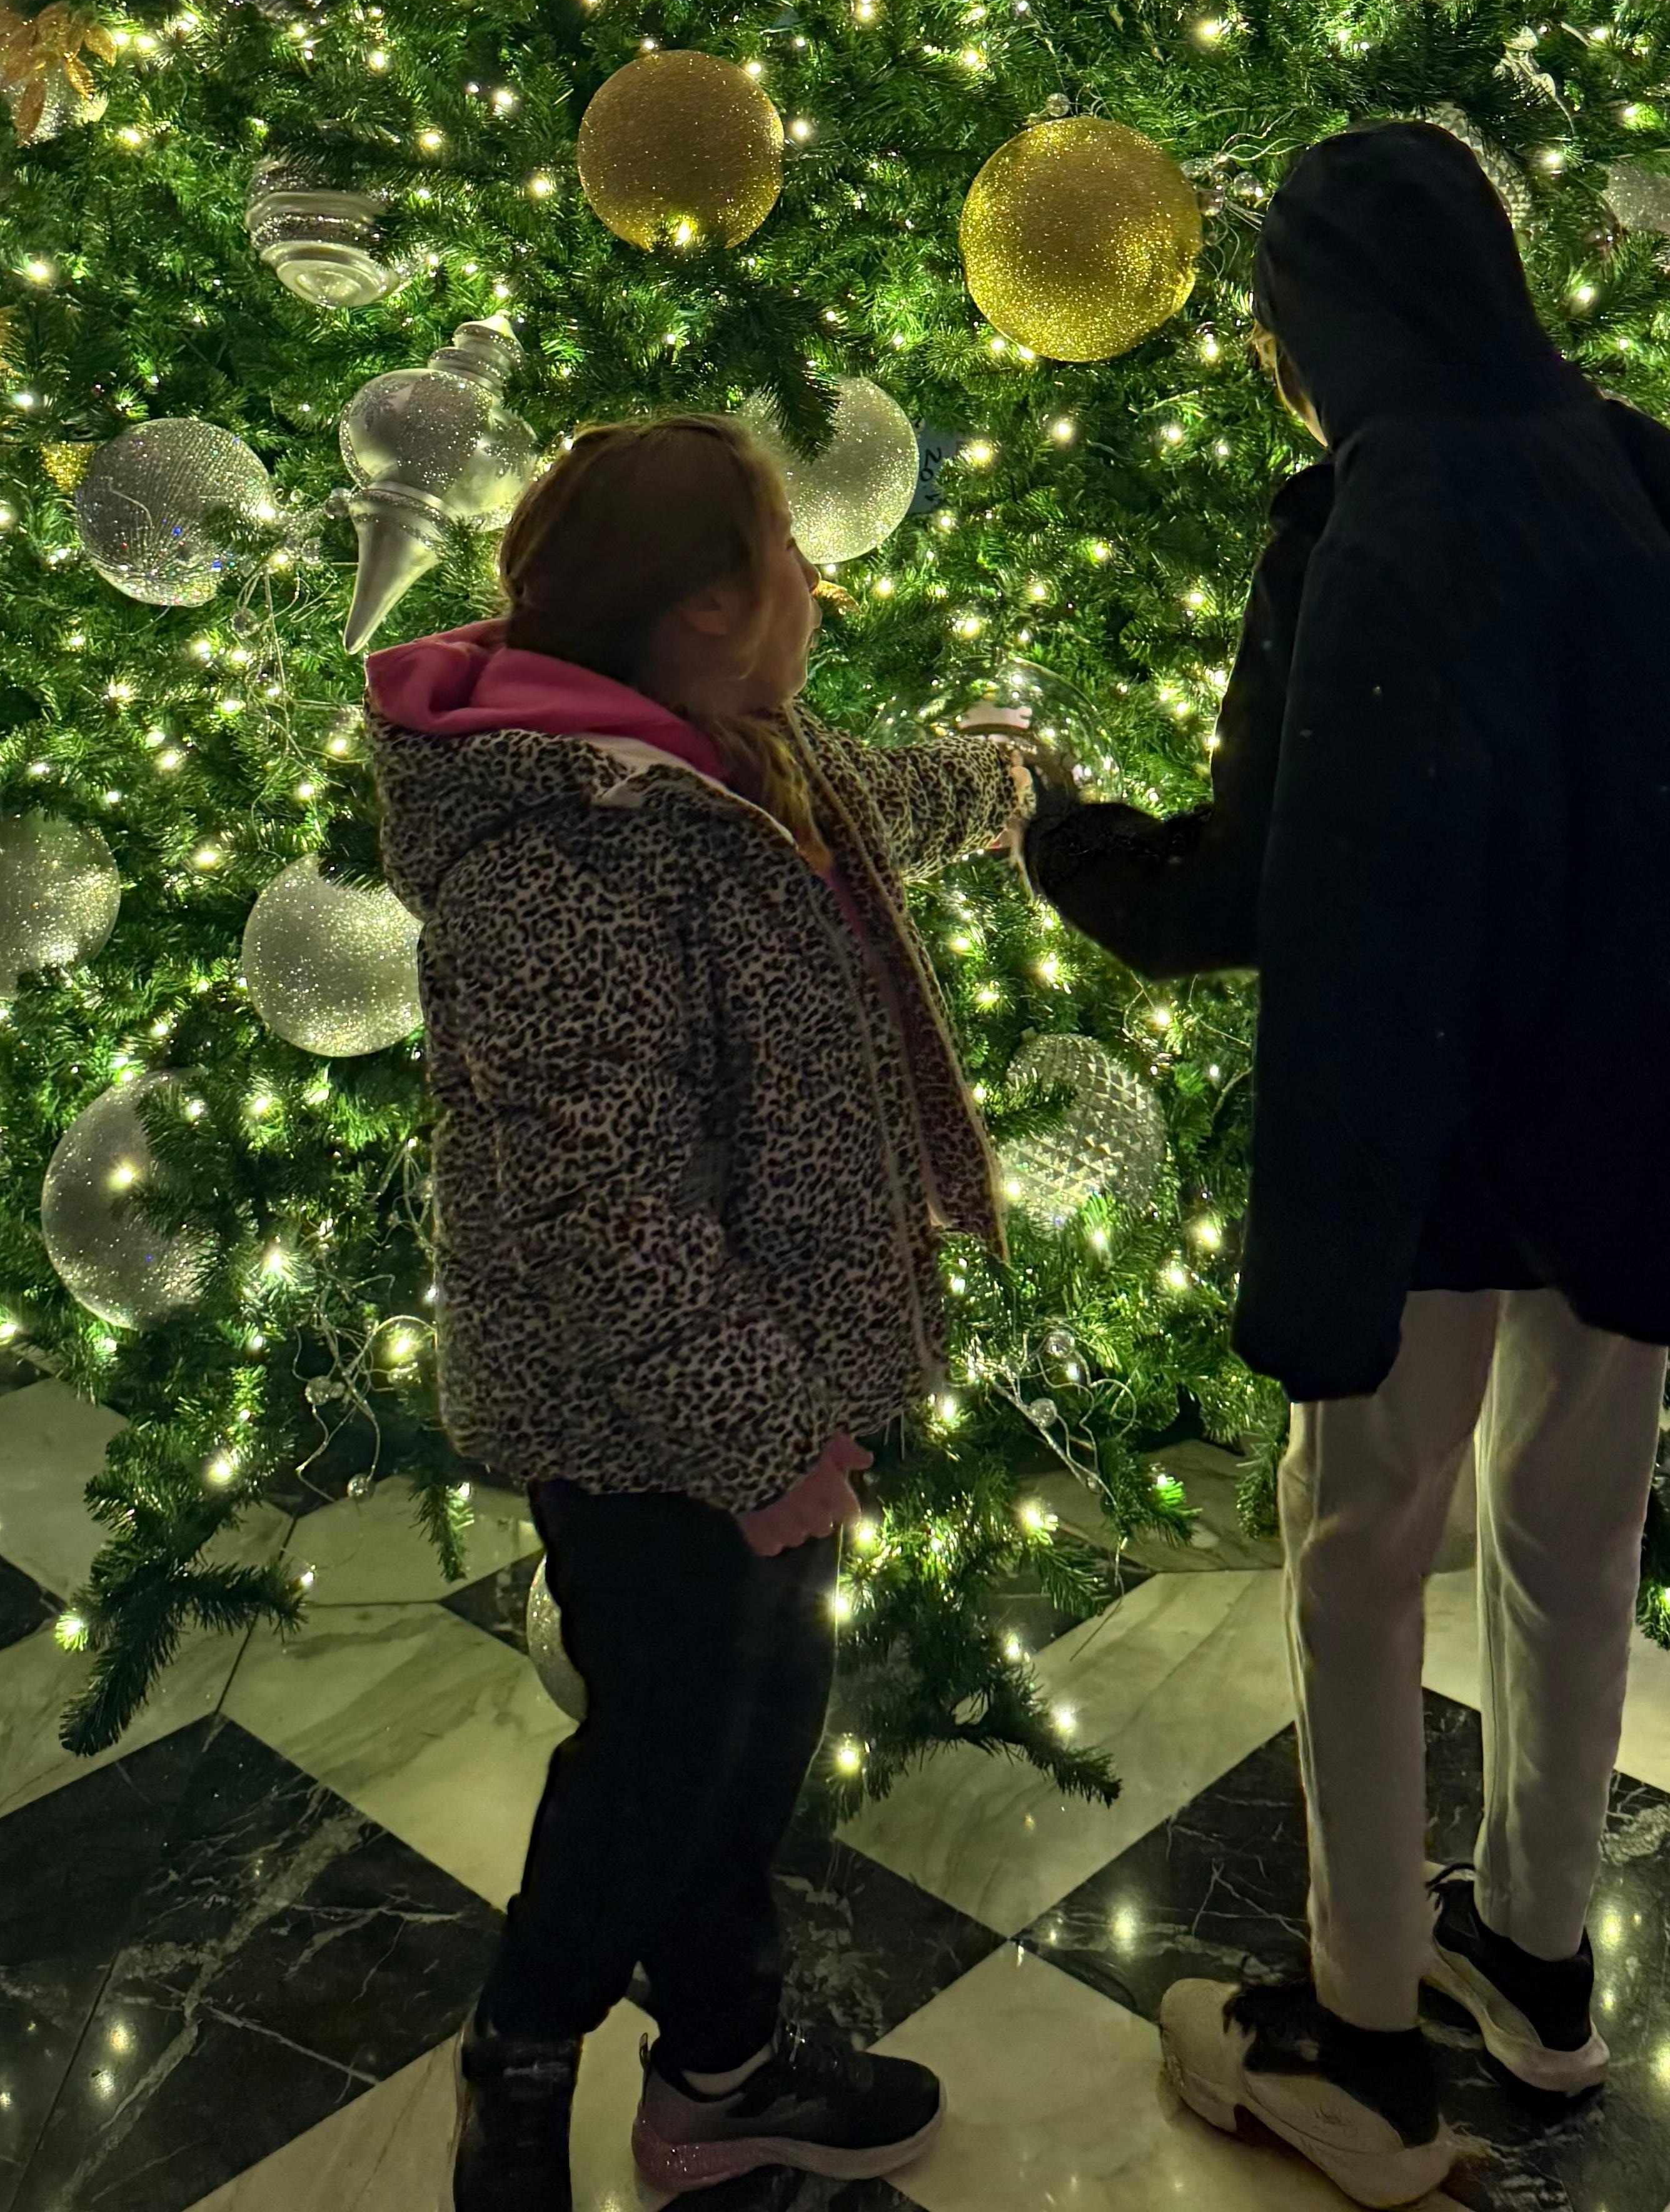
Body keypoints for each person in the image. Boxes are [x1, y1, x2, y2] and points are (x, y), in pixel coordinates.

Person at [1025, 125, 1670, 2208]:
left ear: (1311, 315)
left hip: (1443, 1125)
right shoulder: (1633, 461)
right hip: (1649, 1105)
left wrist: (1061, 839)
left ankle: (1363, 2036)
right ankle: (1539, 1959)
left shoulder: (1375, 515)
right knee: (1573, 1532)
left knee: (1359, 1543)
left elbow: (1297, 876)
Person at [368, 415, 1034, 2212]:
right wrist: (752, 1441)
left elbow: (867, 806)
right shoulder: (558, 852)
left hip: (773, 1381)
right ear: (702, 610)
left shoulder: (730, 757)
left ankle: (722, 2071)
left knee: (752, 1720)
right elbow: (604, 1209)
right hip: (642, 1415)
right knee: (665, 1755)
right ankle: (521, 2055)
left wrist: (999, 779)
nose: (817, 585)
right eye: (787, 559)